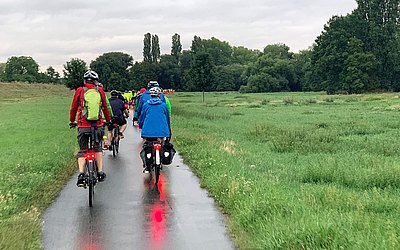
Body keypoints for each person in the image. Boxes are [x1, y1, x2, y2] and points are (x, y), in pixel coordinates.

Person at [69, 70, 112, 187]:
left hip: (83, 125)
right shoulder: (100, 91)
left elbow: (73, 108)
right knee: (97, 148)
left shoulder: (80, 91)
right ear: (96, 81)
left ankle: (82, 174)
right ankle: (99, 172)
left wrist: (72, 121)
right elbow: (105, 108)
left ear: (84, 81)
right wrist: (108, 121)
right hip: (97, 126)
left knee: (83, 150)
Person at [139, 87, 171, 173]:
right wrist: (168, 130)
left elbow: (142, 118)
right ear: (159, 95)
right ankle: (161, 157)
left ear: (151, 95)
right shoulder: (163, 105)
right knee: (162, 142)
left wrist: (141, 125)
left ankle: (147, 166)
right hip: (162, 131)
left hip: (148, 131)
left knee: (147, 145)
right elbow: (167, 119)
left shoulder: (146, 105)